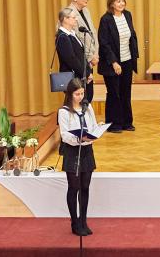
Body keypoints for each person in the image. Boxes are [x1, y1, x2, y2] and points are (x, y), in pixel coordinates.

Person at [58, 78, 99, 236]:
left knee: (85, 187)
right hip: (73, 152)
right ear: (70, 94)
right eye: (77, 94)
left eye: (82, 93)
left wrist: (95, 132)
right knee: (74, 187)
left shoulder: (88, 108)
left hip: (87, 150)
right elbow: (64, 135)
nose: (80, 97)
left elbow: (93, 126)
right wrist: (78, 139)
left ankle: (83, 220)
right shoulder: (63, 111)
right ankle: (74, 222)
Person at [97, 0, 139, 133]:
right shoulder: (106, 20)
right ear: (111, 4)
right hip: (111, 63)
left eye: (122, 1)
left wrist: (134, 56)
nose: (121, 3)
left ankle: (127, 122)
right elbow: (104, 43)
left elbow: (132, 36)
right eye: (118, 1)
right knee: (114, 93)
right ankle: (114, 124)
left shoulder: (127, 15)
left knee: (126, 92)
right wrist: (114, 62)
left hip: (127, 60)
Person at [67, 0, 98, 103]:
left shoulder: (86, 11)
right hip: (79, 64)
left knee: (88, 95)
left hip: (90, 62)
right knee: (79, 98)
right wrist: (90, 57)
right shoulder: (68, 14)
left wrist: (96, 54)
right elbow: (75, 42)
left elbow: (92, 33)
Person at [56, 8, 92, 100]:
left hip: (80, 75)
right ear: (65, 19)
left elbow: (81, 55)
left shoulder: (72, 34)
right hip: (73, 77)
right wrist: (85, 74)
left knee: (84, 102)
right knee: (75, 104)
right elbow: (71, 59)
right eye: (73, 17)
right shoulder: (63, 37)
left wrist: (88, 71)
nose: (76, 19)